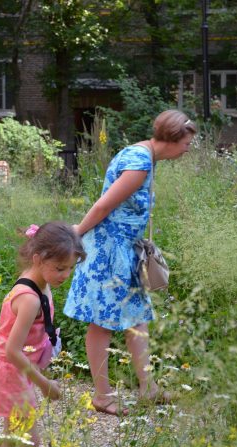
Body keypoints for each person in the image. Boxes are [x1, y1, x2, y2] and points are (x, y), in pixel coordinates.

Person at [64, 109, 197, 415]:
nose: (188, 149)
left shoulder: (144, 155)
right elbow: (103, 206)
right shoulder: (139, 163)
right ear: (173, 139)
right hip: (110, 251)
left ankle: (148, 389)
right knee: (102, 324)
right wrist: (77, 234)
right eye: (187, 143)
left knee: (138, 319)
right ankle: (102, 395)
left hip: (126, 251)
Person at [0, 221, 86, 447]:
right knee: (28, 440)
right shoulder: (29, 298)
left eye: (70, 268)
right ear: (38, 259)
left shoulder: (42, 282)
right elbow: (11, 350)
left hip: (19, 368)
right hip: (10, 370)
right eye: (60, 268)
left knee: (13, 436)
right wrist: (43, 383)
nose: (65, 275)